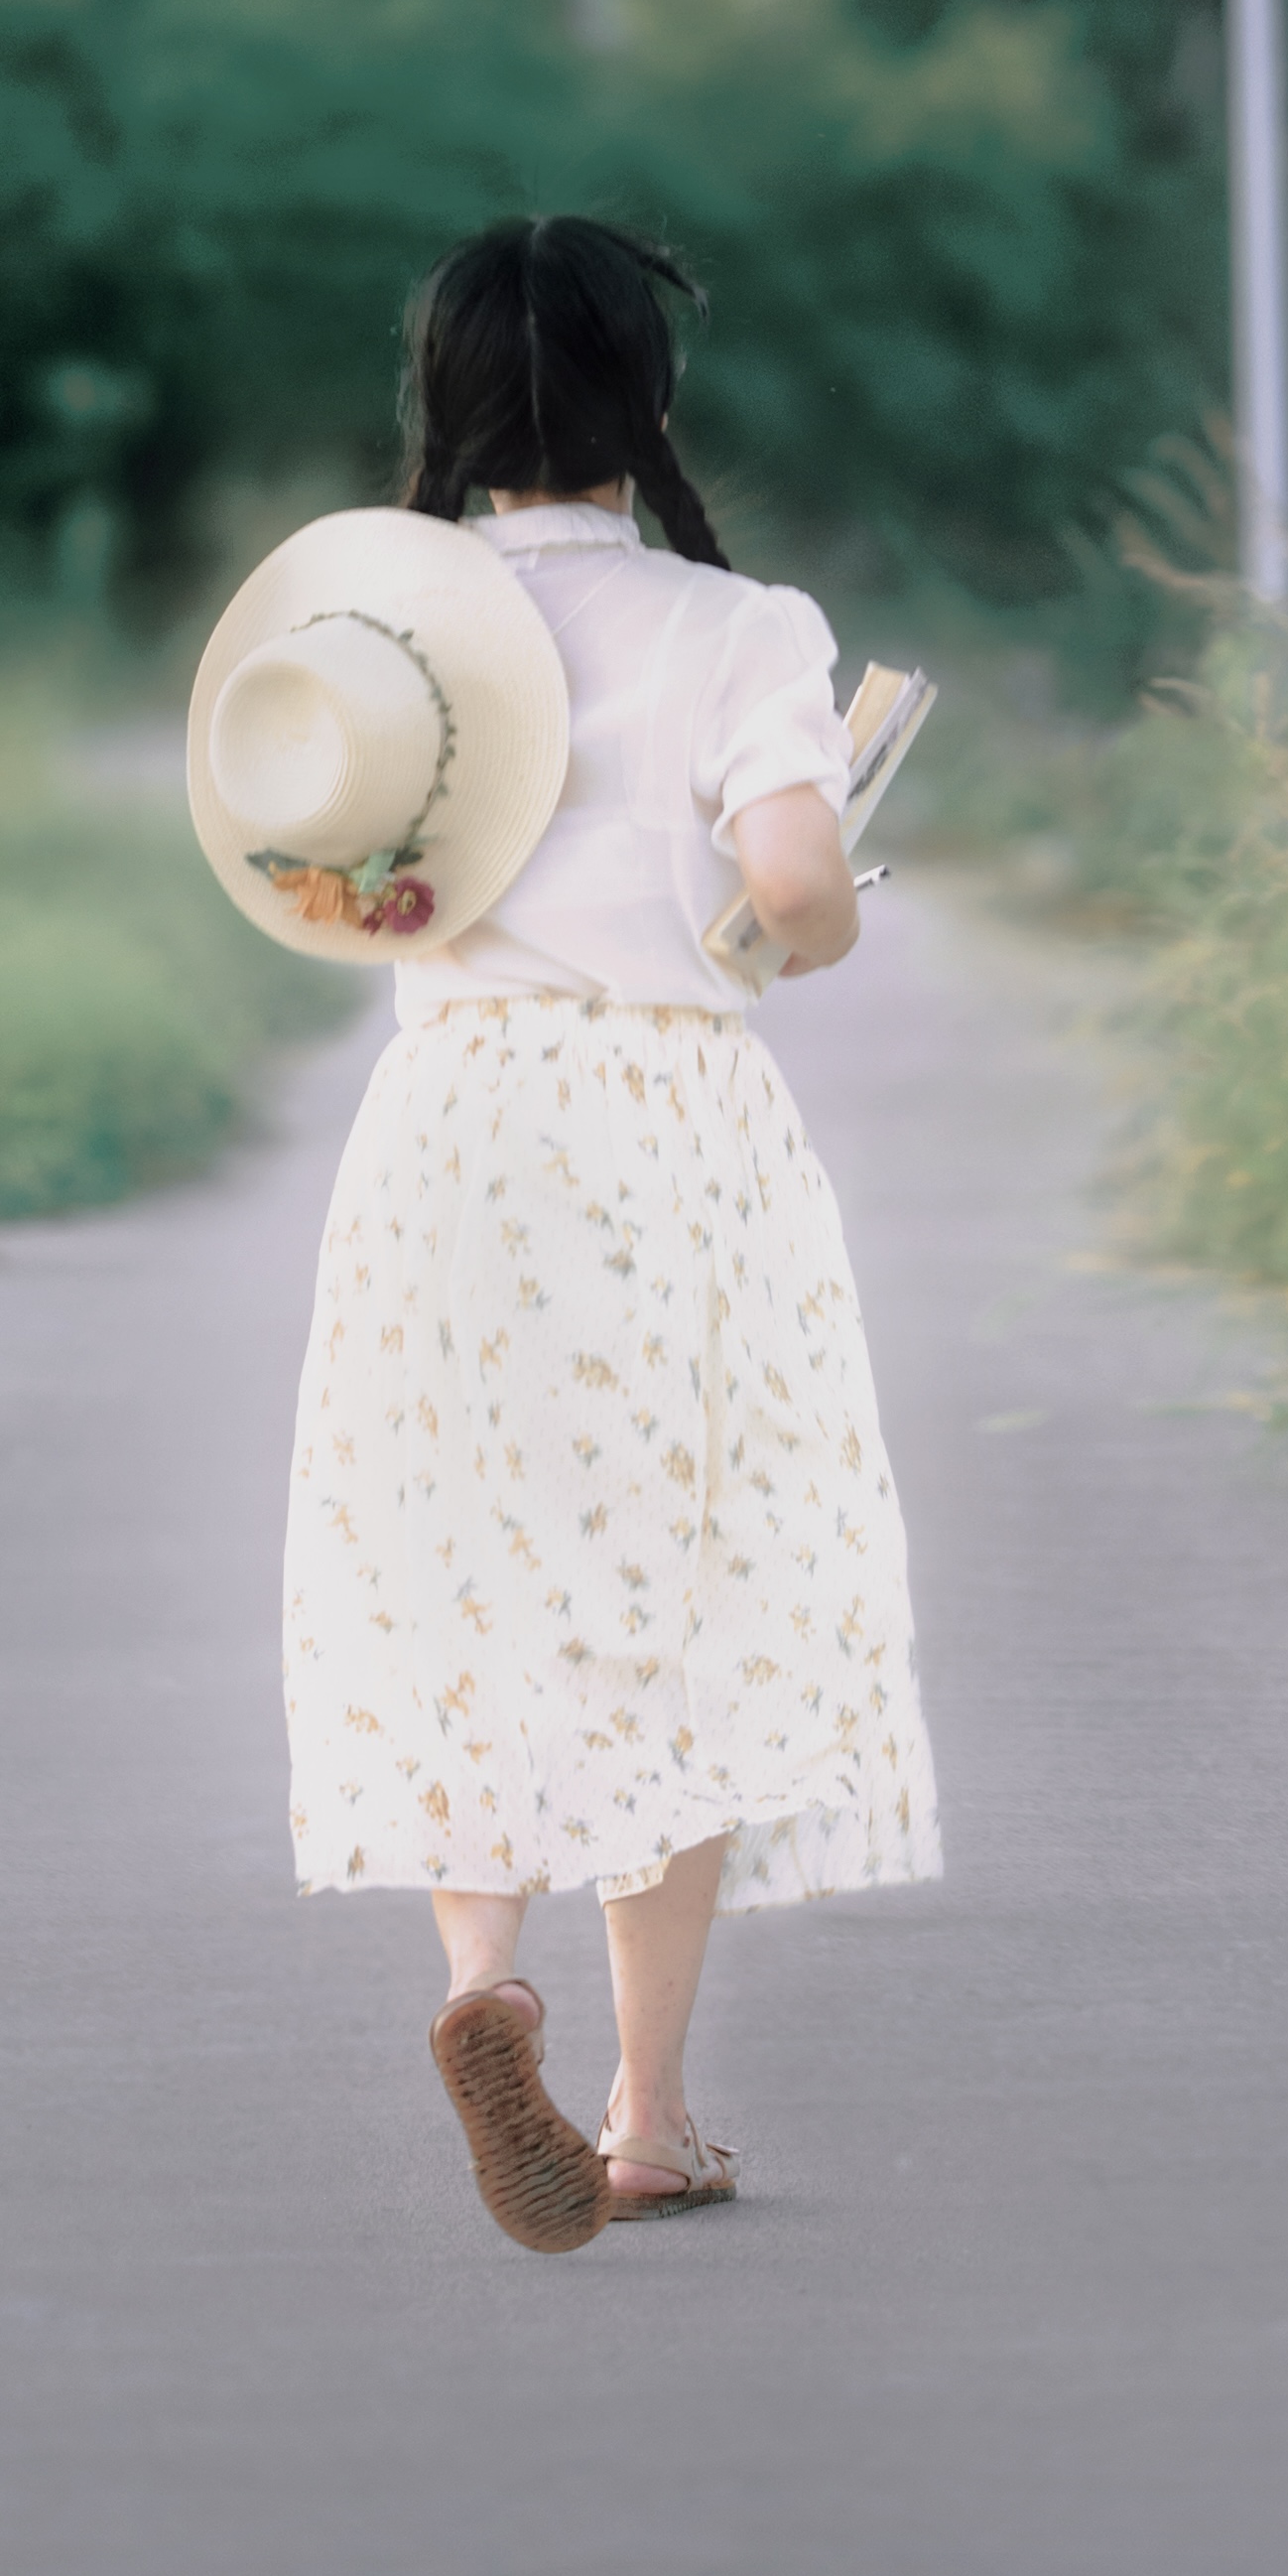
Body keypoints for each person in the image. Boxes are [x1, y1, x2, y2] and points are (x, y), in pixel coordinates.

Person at [272, 213, 941, 2251]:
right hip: (660, 1129)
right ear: (649, 396)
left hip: (451, 1120)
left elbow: (318, 878)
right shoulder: (731, 629)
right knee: (679, 1579)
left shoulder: (383, 630)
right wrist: (807, 926)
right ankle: (647, 2112)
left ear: (445, 402)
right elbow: (796, 884)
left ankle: (485, 1978)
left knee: (457, 1558)